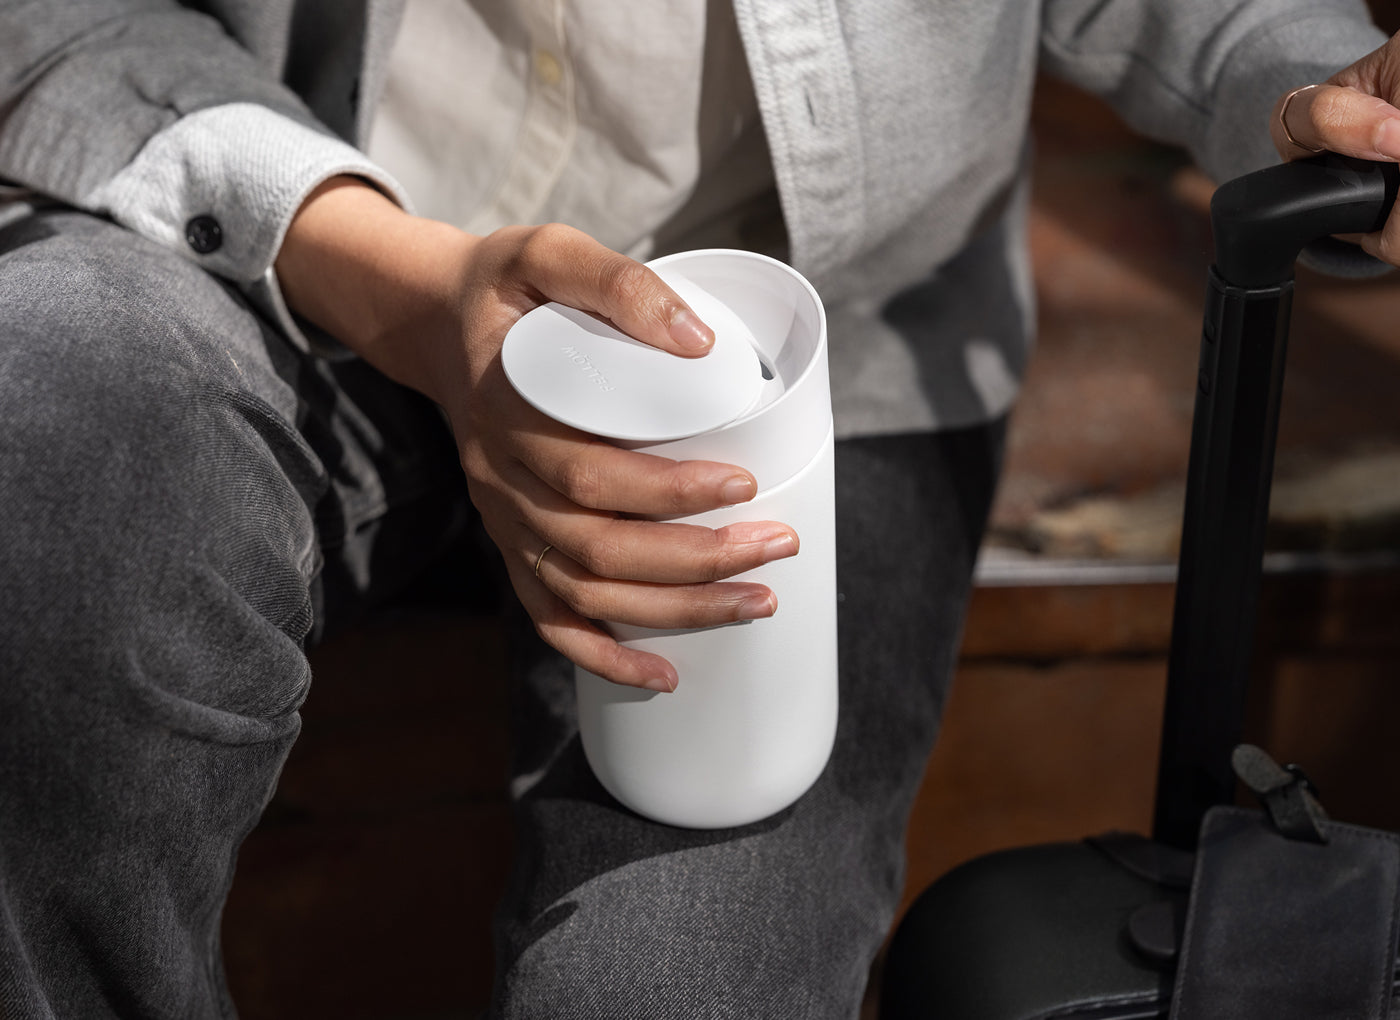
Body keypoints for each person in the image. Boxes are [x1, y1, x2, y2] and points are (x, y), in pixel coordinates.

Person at [3, 1, 1400, 1016]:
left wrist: (1320, 98)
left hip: (823, 347)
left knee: (674, 983)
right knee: (58, 429)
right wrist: (391, 279)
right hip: (296, 254)